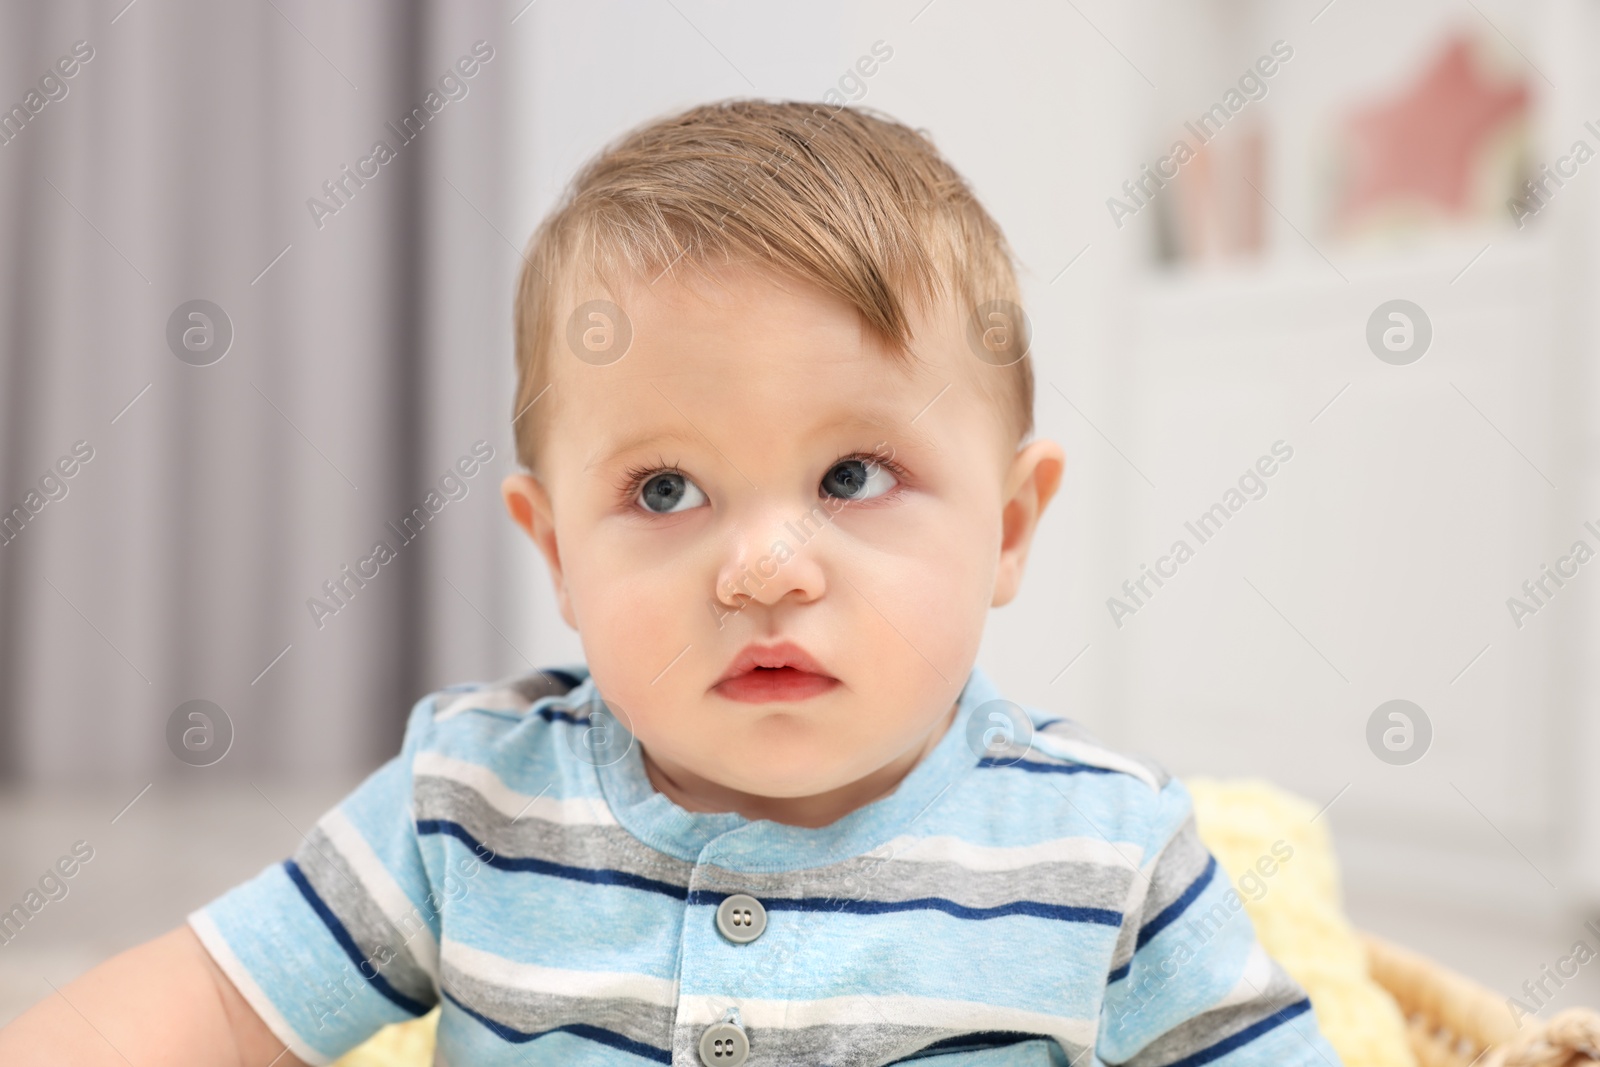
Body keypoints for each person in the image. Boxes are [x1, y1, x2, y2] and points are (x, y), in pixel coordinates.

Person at [0, 99, 1343, 1066]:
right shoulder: (468, 803)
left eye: (854, 476)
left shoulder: (1104, 851)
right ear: (555, 553)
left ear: (1007, 527)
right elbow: (208, 1005)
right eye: (664, 492)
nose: (763, 569)